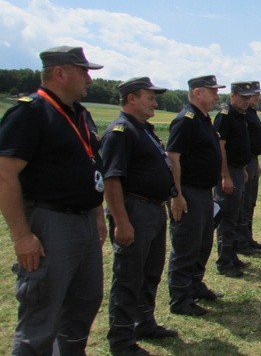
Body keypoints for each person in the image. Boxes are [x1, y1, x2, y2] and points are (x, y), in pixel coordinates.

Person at [0, 46, 106, 354]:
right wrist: (22, 236)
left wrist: (97, 216)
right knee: (41, 313)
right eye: (84, 71)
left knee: (85, 301)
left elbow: (92, 168)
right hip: (51, 223)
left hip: (84, 221)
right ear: (60, 73)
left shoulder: (81, 114)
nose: (90, 79)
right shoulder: (30, 112)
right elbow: (5, 175)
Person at [101, 77, 178, 356]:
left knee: (150, 272)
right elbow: (111, 179)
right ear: (131, 98)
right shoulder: (120, 131)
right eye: (150, 97)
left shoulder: (143, 130)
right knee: (128, 277)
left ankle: (143, 322)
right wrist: (122, 221)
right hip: (134, 210)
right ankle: (121, 342)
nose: (155, 102)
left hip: (153, 210)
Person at [167, 75, 225, 317]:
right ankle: (180, 299)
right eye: (212, 91)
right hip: (188, 192)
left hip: (203, 192)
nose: (216, 95)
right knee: (186, 246)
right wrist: (176, 195)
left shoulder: (203, 120)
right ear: (198, 92)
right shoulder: (186, 120)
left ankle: (194, 285)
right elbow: (173, 158)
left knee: (203, 243)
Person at [213, 82, 255, 277]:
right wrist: (225, 176)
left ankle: (232, 256)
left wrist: (243, 168)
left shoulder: (240, 115)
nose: (247, 101)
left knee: (236, 216)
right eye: (243, 97)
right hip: (228, 172)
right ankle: (224, 262)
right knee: (227, 217)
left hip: (238, 170)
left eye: (249, 98)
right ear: (233, 96)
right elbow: (220, 148)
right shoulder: (225, 116)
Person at [237, 81, 261, 255]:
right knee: (244, 202)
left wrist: (257, 163)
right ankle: (241, 241)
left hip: (253, 160)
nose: (256, 97)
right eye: (253, 95)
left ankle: (248, 238)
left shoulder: (251, 113)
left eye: (257, 94)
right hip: (245, 162)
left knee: (251, 202)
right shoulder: (242, 114)